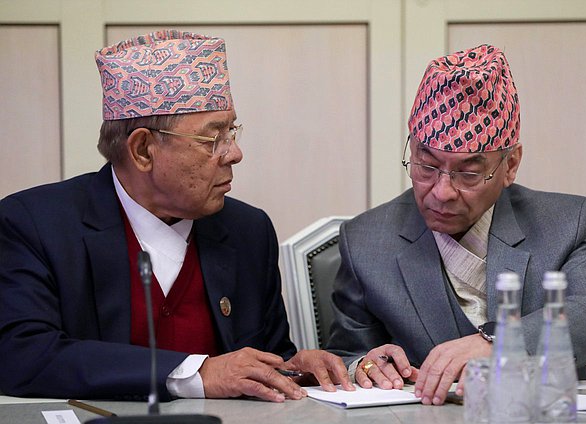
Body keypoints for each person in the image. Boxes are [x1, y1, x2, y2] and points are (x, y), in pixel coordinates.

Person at [0, 30, 352, 402]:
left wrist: (294, 368)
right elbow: (22, 357)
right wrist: (194, 373)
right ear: (142, 151)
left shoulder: (248, 231)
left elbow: (264, 357)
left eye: (231, 131)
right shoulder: (36, 225)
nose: (234, 154)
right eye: (213, 139)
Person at [326, 44, 586, 405]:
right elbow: (345, 354)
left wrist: (498, 344)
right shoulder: (366, 242)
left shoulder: (563, 223)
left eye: (468, 173)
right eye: (426, 166)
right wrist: (367, 365)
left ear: (510, 165)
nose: (441, 192)